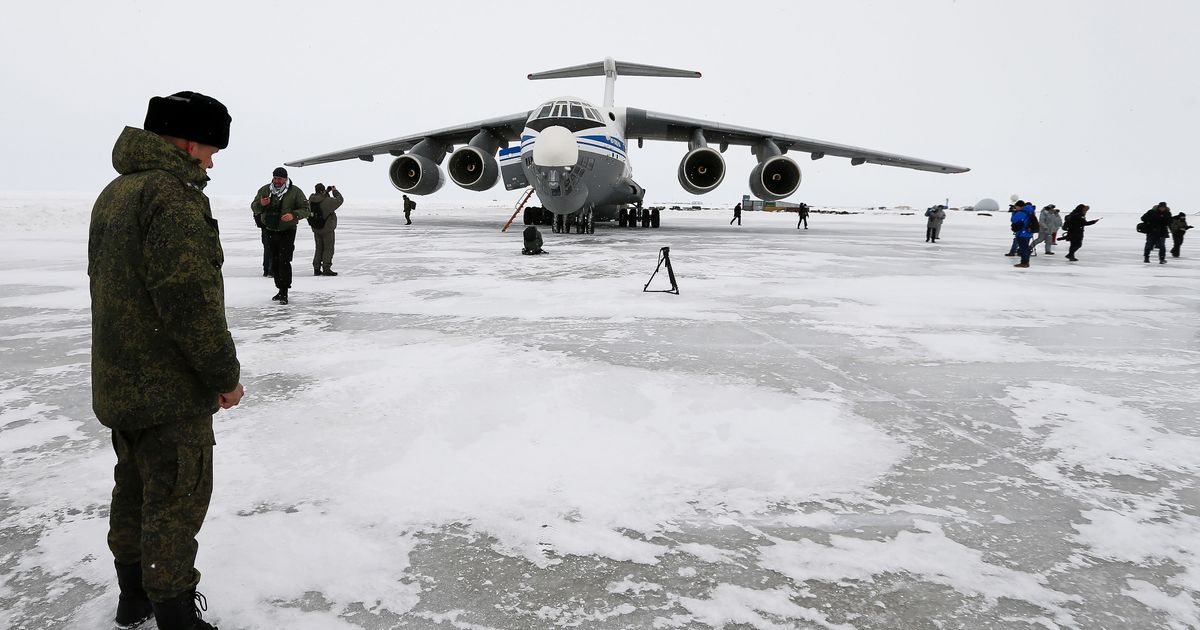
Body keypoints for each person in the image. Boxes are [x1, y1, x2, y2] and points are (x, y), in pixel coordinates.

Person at [89, 91, 242, 630]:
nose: (212, 159)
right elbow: (190, 304)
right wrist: (224, 377)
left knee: (131, 491)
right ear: (187, 140)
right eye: (211, 147)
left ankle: (134, 599)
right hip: (169, 389)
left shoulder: (117, 192)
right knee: (176, 500)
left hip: (120, 382)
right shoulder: (171, 197)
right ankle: (176, 615)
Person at [252, 167, 310, 304]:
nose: (277, 181)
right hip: (270, 230)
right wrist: (260, 204)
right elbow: (254, 207)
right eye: (275, 178)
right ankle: (279, 289)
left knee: (284, 260)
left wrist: (293, 215)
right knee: (275, 261)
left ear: (285, 178)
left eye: (280, 178)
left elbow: (306, 210)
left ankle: (284, 291)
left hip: (287, 231)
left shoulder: (295, 192)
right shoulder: (265, 190)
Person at [307, 183, 345, 276]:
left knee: (318, 248)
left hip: (316, 228)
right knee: (328, 249)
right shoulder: (327, 201)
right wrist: (334, 191)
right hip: (327, 229)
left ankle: (316, 268)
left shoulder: (311, 200)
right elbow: (340, 200)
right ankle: (326, 268)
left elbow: (319, 198)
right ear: (322, 190)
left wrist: (326, 192)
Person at [1010, 202, 1036, 267]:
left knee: (1023, 249)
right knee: (1025, 248)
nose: (1016, 208)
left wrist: (1014, 213)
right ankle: (1026, 262)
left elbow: (1013, 220)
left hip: (1022, 233)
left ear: (1020, 206)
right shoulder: (1031, 212)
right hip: (1029, 233)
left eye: (1016, 207)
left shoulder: (1021, 213)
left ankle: (1024, 263)